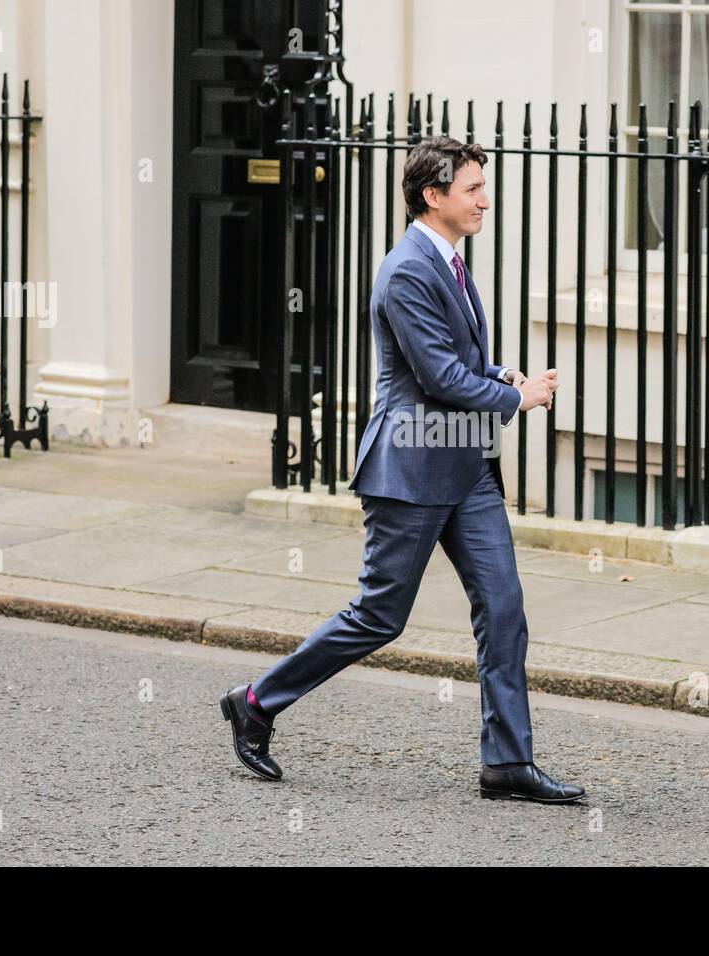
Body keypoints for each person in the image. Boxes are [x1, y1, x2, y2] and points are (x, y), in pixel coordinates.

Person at [220, 135, 585, 804]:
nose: (485, 199)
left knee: (503, 609)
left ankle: (507, 762)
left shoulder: (446, 261)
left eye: (482, 186)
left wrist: (499, 372)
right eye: (472, 188)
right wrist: (517, 397)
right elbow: (437, 375)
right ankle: (256, 702)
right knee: (379, 616)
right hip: (412, 470)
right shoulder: (407, 270)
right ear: (432, 195)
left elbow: (455, 359)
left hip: (465, 467)